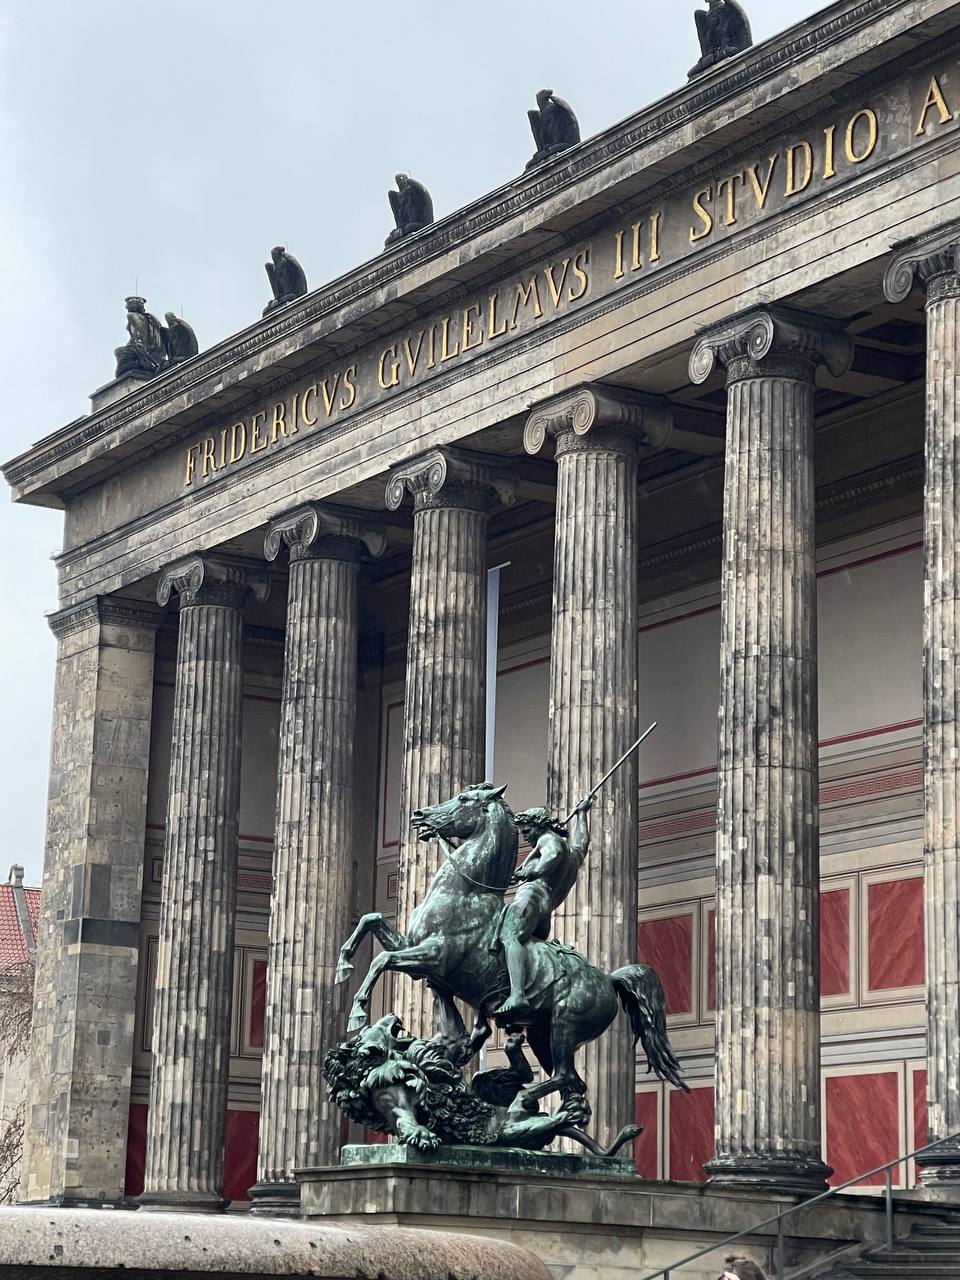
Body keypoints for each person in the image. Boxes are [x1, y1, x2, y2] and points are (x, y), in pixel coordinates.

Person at [495, 796, 592, 1022]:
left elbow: (553, 854)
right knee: (524, 949)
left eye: (527, 830)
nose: (526, 836)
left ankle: (517, 995)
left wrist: (533, 871)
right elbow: (582, 844)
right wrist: (581, 815)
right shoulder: (572, 852)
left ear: (539, 825)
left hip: (531, 898)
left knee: (509, 936)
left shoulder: (549, 839)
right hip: (544, 910)